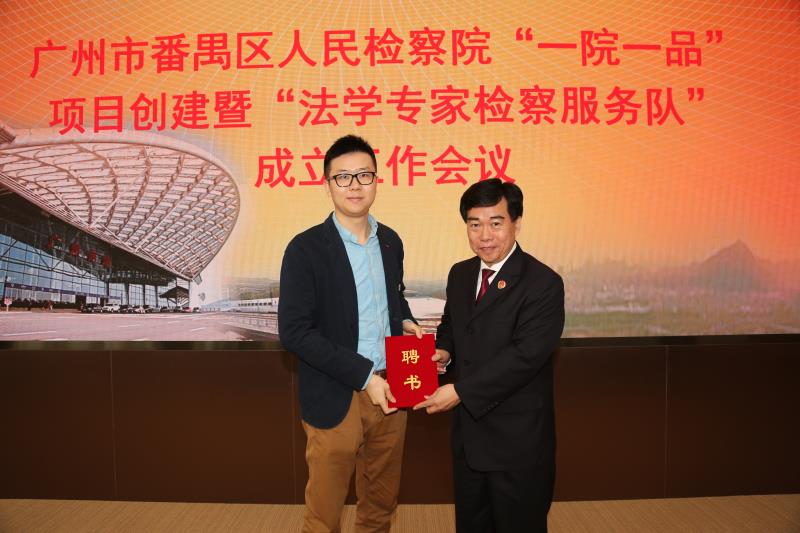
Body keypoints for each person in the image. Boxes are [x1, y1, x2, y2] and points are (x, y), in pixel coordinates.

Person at [278, 134, 422, 533]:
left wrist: (406, 321)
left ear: (377, 179)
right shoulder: (305, 249)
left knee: (381, 502)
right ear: (327, 184)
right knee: (324, 512)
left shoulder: (390, 241)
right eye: (343, 177)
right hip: (335, 393)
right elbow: (294, 332)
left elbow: (394, 298)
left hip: (392, 389)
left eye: (364, 175)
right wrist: (364, 376)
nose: (354, 185)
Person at [414, 178, 565, 533]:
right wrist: (444, 350)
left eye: (496, 223)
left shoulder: (543, 283)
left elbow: (524, 357)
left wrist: (460, 391)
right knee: (472, 523)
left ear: (516, 223)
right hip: (469, 437)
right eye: (474, 224)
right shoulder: (461, 274)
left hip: (517, 442)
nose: (485, 235)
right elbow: (452, 324)